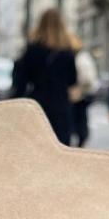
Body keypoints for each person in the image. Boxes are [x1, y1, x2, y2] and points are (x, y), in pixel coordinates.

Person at [12, 9, 78, 144]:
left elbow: (23, 80)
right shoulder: (67, 52)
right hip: (61, 105)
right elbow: (72, 80)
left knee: (38, 146)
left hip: (38, 105)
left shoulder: (33, 49)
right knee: (61, 147)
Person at [69, 35, 99, 148]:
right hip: (84, 93)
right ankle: (81, 141)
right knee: (81, 120)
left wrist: (77, 86)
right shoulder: (84, 57)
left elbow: (86, 79)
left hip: (79, 94)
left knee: (78, 120)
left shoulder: (80, 59)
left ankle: (80, 142)